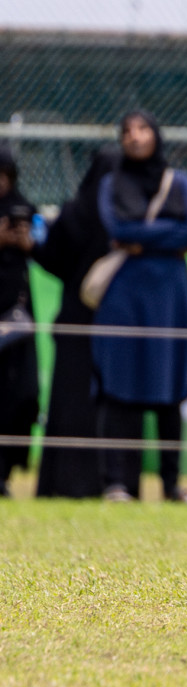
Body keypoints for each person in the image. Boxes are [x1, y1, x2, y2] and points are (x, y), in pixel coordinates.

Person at [93, 111, 187, 504]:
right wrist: (168, 238)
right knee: (120, 387)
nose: (134, 138)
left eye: (142, 130)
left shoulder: (180, 182)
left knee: (168, 386)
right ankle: (117, 483)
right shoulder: (111, 183)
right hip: (124, 298)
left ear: (156, 135)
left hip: (169, 299)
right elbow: (116, 229)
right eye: (126, 132)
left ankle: (172, 485)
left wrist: (143, 238)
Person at [32, 148, 116, 498]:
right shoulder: (122, 217)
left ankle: (60, 483)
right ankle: (107, 482)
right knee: (108, 401)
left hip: (72, 318)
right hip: (113, 320)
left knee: (67, 400)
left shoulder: (72, 213)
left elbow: (51, 259)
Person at [0, 147, 39, 496]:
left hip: (17, 314)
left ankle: (6, 469)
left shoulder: (24, 207)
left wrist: (28, 241)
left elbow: (45, 246)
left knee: (22, 394)